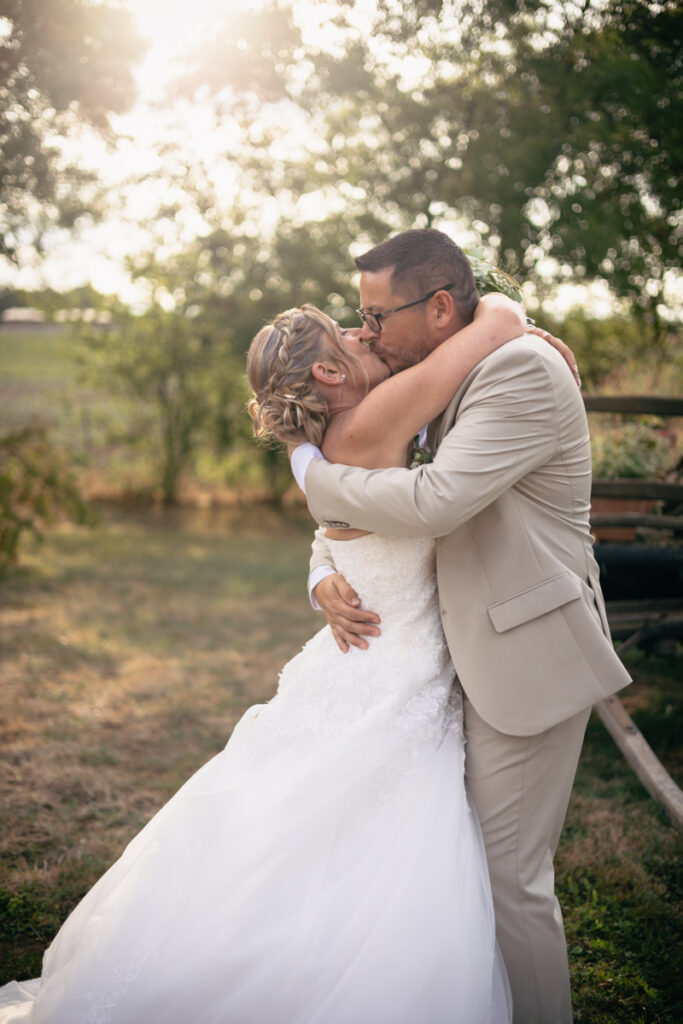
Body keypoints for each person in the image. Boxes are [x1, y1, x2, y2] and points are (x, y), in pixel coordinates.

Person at [0, 292, 570, 1023]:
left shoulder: (339, 436)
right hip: (392, 674)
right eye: (356, 337)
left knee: (312, 842)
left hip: (364, 662)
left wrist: (320, 573)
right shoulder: (376, 416)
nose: (372, 336)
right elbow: (473, 344)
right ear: (331, 373)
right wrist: (504, 314)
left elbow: (340, 526)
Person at [289, 229, 632, 1024]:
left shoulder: (517, 369)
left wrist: (315, 478)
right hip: (444, 657)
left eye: (375, 317)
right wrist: (322, 573)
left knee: (508, 880)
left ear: (440, 307)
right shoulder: (441, 375)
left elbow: (435, 500)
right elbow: (361, 523)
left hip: (523, 651)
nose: (364, 332)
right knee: (451, 870)